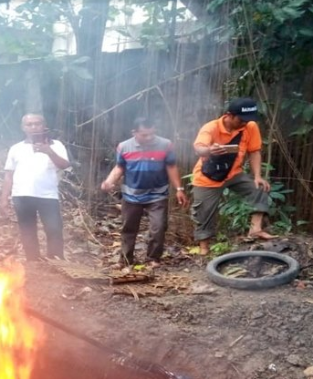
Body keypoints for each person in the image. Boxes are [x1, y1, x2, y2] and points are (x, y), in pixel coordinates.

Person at [191, 97, 275, 256]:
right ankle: (204, 248)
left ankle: (255, 229)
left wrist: (257, 176)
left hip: (233, 173)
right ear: (229, 115)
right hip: (208, 177)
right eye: (241, 119)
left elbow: (254, 151)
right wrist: (209, 150)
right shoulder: (211, 127)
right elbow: (199, 149)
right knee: (204, 211)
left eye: (248, 120)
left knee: (259, 187)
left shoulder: (250, 126)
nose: (245, 123)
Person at [101, 117, 188, 268]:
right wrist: (109, 181)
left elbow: (171, 167)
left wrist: (179, 189)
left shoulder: (165, 145)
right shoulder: (124, 147)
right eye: (144, 135)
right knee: (128, 228)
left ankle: (153, 259)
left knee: (158, 227)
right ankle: (125, 259)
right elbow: (120, 167)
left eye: (151, 134)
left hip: (158, 194)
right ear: (134, 132)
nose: (149, 138)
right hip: (131, 194)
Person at [0, 113, 70, 261]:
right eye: (29, 124)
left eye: (37, 123)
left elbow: (64, 165)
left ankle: (57, 263)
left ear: (44, 125)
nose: (33, 127)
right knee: (27, 230)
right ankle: (33, 263)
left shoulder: (56, 145)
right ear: (23, 128)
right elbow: (8, 175)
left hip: (48, 195)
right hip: (22, 195)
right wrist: (4, 199)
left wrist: (49, 151)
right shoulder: (16, 148)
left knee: (54, 229)